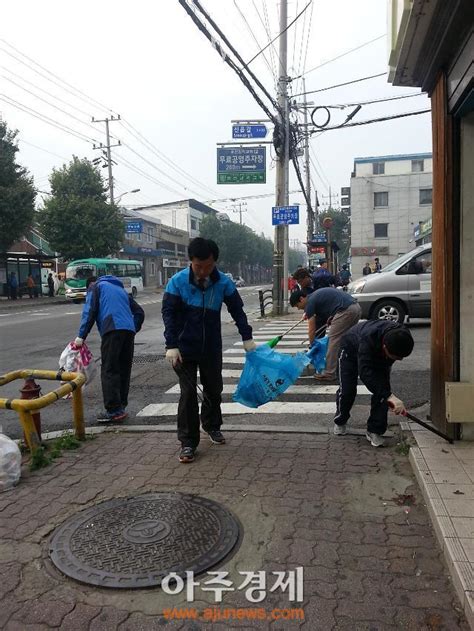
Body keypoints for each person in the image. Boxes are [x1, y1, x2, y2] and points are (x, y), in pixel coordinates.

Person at [162, 237, 255, 464]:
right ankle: (188, 442)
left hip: (211, 347)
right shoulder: (177, 282)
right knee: (188, 394)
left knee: (214, 389)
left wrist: (247, 337)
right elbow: (169, 315)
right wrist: (171, 345)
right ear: (190, 261)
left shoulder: (223, 283)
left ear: (215, 262)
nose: (203, 271)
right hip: (183, 349)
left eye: (209, 266)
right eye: (198, 266)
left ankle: (212, 426)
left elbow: (238, 310)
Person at [74, 275, 145, 423]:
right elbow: (139, 312)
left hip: (112, 330)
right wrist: (133, 327)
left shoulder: (96, 287)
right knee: (123, 369)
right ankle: (121, 406)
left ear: (90, 285)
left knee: (109, 369)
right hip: (128, 332)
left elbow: (90, 312)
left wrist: (81, 337)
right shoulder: (120, 290)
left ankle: (114, 410)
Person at [333, 320, 414, 447]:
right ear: (385, 347)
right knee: (347, 390)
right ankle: (340, 420)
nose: (399, 360)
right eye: (395, 357)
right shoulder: (367, 339)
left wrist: (387, 395)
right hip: (349, 351)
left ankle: (374, 430)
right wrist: (389, 396)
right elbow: (365, 373)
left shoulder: (402, 336)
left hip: (379, 356)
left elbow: (381, 388)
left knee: (382, 392)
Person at [289, 287, 361, 382]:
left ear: (302, 299)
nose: (298, 308)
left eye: (297, 305)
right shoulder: (315, 297)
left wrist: (312, 344)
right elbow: (328, 310)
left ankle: (329, 373)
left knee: (333, 341)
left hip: (345, 311)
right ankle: (354, 364)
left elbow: (312, 328)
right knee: (347, 339)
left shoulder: (309, 303)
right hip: (356, 308)